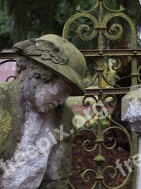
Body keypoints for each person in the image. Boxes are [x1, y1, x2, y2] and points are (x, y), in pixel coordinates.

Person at [0, 34, 86, 189]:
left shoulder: (64, 118)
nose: (62, 100)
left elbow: (56, 181)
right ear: (36, 74)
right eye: (61, 90)